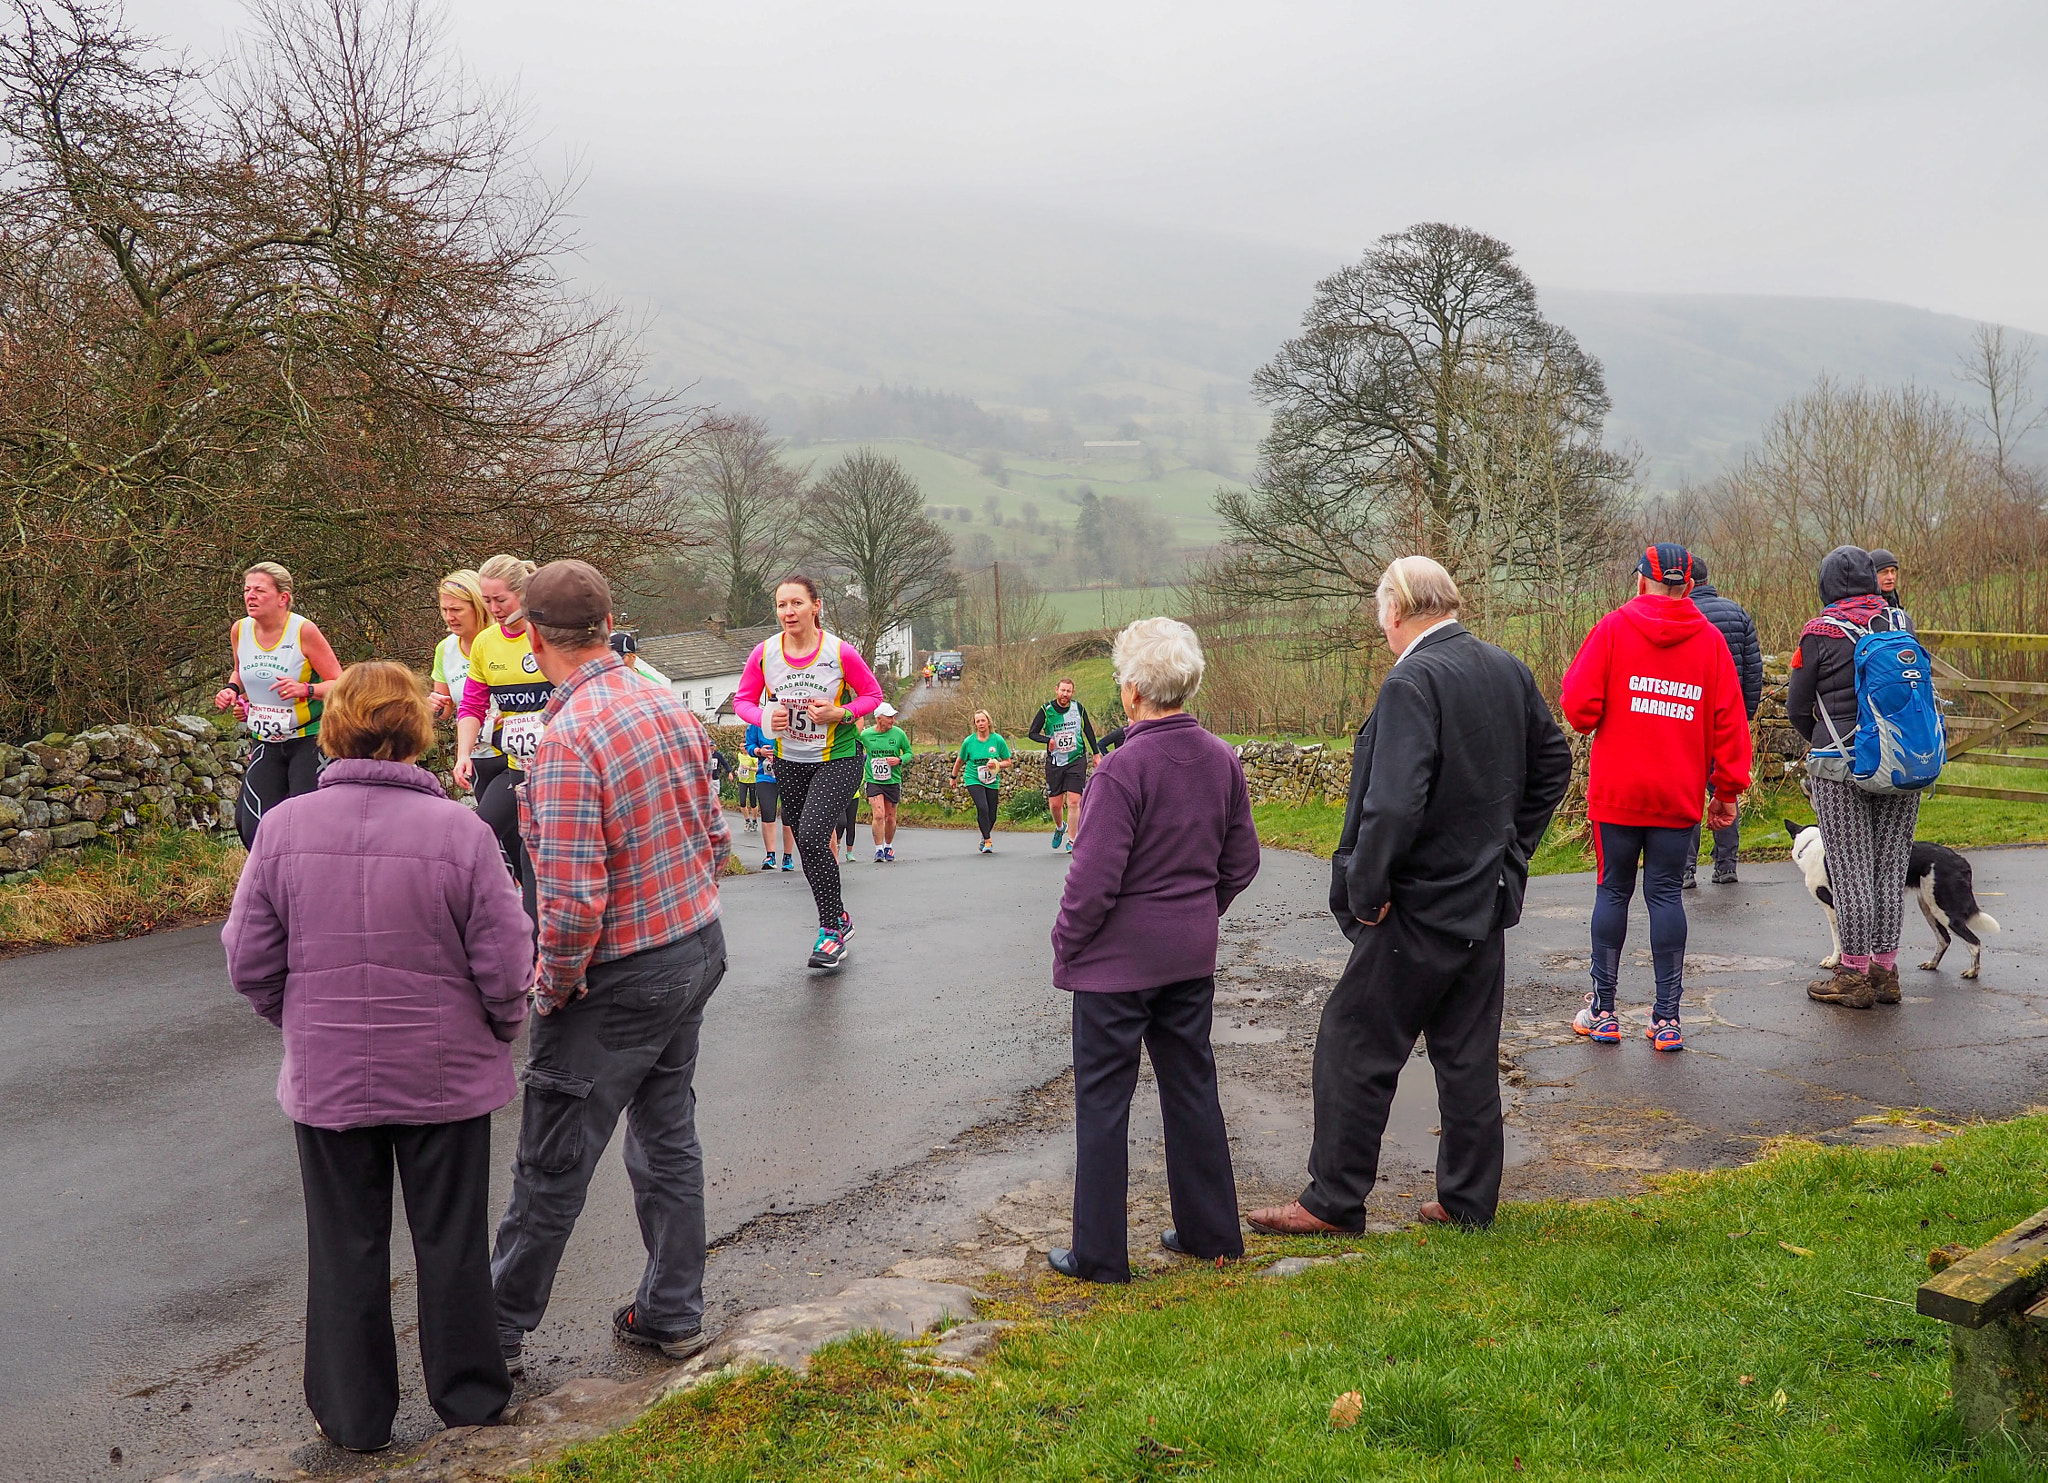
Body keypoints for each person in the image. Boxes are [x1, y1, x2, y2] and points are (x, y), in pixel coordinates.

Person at [224, 661, 530, 1454]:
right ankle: (469, 1398)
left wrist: (299, 1023)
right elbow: (506, 961)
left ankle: (355, 1417)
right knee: (452, 1241)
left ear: (333, 729)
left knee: (343, 1247)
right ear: (418, 734)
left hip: (328, 1077)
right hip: (447, 1078)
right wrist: (499, 1029)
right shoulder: (463, 832)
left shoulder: (284, 827)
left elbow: (248, 958)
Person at [1246, 558, 1571, 1238]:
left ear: (1395, 609)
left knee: (1352, 1042)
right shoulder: (1505, 667)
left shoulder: (1413, 680)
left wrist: (1368, 890)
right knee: (1465, 1054)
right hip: (1484, 899)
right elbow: (1555, 763)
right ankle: (1468, 1200)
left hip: (1416, 905)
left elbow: (1393, 804)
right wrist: (1511, 853)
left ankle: (1333, 1200)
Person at [491, 560, 732, 1371]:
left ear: (528, 634)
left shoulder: (566, 740)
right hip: (694, 943)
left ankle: (494, 1334)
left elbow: (571, 905)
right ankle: (672, 1310)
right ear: (605, 621)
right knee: (668, 1133)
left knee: (551, 1158)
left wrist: (550, 991)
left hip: (619, 974)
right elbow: (716, 834)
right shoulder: (666, 701)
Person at [1049, 618, 1259, 1283]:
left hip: (1115, 968)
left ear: (1134, 691)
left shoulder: (1121, 767)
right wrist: (1198, 911)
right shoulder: (1222, 757)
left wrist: (1067, 942)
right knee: (1193, 1087)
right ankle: (1212, 1233)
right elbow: (1242, 860)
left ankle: (1101, 1254)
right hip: (1188, 959)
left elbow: (1092, 879)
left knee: (1104, 1100)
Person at [1559, 544, 1753, 1052]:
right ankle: (1666, 1019)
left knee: (1612, 892)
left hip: (1617, 793)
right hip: (1677, 793)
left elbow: (1579, 708)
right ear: (1688, 586)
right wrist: (1726, 791)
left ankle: (1602, 1012)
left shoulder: (1612, 629)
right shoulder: (1710, 642)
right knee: (1665, 895)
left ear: (1641, 580)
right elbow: (1731, 724)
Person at [731, 575, 886, 969]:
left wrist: (842, 713)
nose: (788, 612)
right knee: (809, 846)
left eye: (796, 603)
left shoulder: (839, 652)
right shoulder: (765, 654)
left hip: (839, 757)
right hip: (790, 761)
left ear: (815, 606)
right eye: (782, 605)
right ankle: (841, 917)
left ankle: (831, 931)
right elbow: (743, 702)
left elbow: (873, 695)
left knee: (814, 834)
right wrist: (767, 716)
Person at [1789, 546, 1921, 1009]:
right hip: (1901, 760)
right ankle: (1887, 973)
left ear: (1824, 584)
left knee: (1851, 872)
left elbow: (1795, 708)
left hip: (1840, 766)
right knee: (1889, 869)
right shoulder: (1898, 622)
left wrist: (1826, 740)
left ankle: (1853, 974)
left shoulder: (1818, 633)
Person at [214, 562, 343, 848]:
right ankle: (269, 884)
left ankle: (311, 883)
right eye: (247, 590)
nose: (250, 596)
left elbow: (341, 683)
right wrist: (232, 691)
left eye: (259, 590)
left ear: (282, 598)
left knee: (307, 823)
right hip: (266, 739)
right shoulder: (240, 630)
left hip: (309, 739)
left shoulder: (303, 631)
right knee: (250, 823)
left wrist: (306, 689)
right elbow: (241, 672)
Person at [454, 555, 551, 919]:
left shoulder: (547, 634)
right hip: (518, 765)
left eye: (501, 600)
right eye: (487, 600)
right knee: (503, 840)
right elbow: (472, 707)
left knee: (542, 855)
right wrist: (463, 753)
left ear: (523, 594)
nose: (493, 608)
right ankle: (527, 942)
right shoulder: (485, 643)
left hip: (559, 765)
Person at [1683, 556, 1764, 887]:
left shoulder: (1682, 616)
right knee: (1725, 791)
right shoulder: (1737, 612)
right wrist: (1744, 716)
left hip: (1688, 722)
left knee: (1688, 794)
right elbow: (1753, 669)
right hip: (1727, 720)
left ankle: (1685, 869)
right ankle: (1726, 865)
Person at [1029, 678, 1100, 853]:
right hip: (1055, 761)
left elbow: (1089, 731)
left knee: (1075, 801)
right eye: (1062, 691)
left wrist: (1096, 754)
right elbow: (1032, 733)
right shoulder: (1046, 710)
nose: (1065, 694)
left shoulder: (1078, 708)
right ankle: (1060, 827)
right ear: (1056, 690)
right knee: (1055, 804)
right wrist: (1048, 740)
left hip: (1076, 758)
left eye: (1068, 691)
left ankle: (1073, 840)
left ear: (1072, 693)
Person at [429, 570, 489, 748]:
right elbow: (444, 711)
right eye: (445, 610)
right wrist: (430, 707)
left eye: (456, 610)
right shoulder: (445, 649)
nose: (449, 617)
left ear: (478, 607)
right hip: (473, 752)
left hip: (508, 752)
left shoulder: (499, 640)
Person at [952, 710, 1013, 854]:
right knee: (982, 807)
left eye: (983, 720)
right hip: (973, 778)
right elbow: (960, 760)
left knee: (992, 815)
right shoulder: (969, 741)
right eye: (977, 721)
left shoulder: (997, 740)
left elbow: (1008, 762)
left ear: (988, 722)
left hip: (991, 780)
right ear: (974, 724)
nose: (980, 724)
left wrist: (997, 764)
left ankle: (983, 833)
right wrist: (953, 777)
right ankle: (987, 840)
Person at [861, 701, 914, 862]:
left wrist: (899, 760)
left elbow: (909, 753)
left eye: (893, 717)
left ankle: (888, 847)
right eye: (889, 717)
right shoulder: (866, 735)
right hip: (873, 780)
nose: (893, 721)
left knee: (890, 817)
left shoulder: (898, 734)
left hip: (892, 780)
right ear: (879, 719)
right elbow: (854, 748)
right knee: (878, 814)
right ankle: (878, 849)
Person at [744, 717, 789, 870]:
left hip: (789, 775)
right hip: (765, 776)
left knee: (788, 816)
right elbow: (750, 745)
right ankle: (770, 855)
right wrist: (759, 751)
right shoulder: (757, 722)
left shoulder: (791, 718)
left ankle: (788, 857)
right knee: (768, 812)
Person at [1868, 548, 1913, 627]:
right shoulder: (1863, 611)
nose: (1890, 577)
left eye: (1893, 571)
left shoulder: (1898, 611)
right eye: (1884, 572)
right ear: (1872, 575)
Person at [734, 740, 760, 835]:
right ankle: (747, 821)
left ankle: (754, 821)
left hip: (752, 781)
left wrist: (749, 768)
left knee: (753, 803)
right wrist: (738, 771)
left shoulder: (752, 756)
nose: (742, 748)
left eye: (744, 746)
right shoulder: (740, 755)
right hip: (742, 781)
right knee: (742, 802)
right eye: (740, 747)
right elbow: (741, 766)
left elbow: (757, 768)